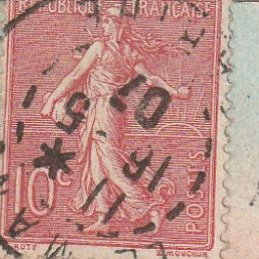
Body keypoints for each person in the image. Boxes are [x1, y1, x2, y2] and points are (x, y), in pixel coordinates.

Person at [39, 9, 190, 232]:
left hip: (105, 112)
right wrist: (174, 91)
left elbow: (75, 75)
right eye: (105, 21)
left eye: (109, 22)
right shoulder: (129, 51)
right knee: (97, 164)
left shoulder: (101, 48)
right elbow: (151, 79)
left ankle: (151, 207)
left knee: (112, 165)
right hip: (107, 112)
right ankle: (103, 218)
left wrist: (52, 100)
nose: (105, 26)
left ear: (121, 25)